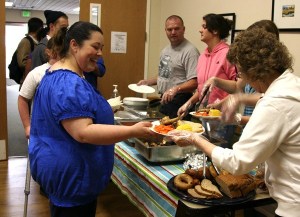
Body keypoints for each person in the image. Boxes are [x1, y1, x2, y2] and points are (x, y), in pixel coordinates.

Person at [29, 21, 156, 217]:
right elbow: (83, 132)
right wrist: (133, 131)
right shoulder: (68, 83)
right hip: (73, 177)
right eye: (95, 47)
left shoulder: (58, 75)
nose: (100, 53)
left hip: (65, 175)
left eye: (102, 48)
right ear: (74, 45)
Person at [171, 27, 300, 217]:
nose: (243, 81)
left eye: (241, 74)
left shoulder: (274, 104)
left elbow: (237, 163)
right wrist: (237, 113)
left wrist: (195, 139)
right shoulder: (291, 84)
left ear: (254, 71)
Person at [204, 20, 280, 125]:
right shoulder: (251, 68)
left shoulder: (274, 73)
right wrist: (216, 82)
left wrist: (237, 116)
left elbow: (269, 99)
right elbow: (237, 88)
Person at [177, 13, 236, 146]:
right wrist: (189, 103)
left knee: (218, 159)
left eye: (204, 27)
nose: (200, 30)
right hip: (204, 117)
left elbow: (238, 87)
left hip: (223, 119)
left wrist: (220, 104)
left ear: (215, 30)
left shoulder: (228, 53)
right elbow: (202, 89)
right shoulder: (203, 55)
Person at [137, 15, 200, 119]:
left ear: (183, 29)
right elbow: (164, 75)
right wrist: (147, 82)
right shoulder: (165, 51)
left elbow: (195, 82)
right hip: (165, 99)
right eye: (170, 29)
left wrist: (176, 89)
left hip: (181, 101)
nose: (173, 32)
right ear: (165, 31)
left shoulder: (190, 52)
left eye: (177, 29)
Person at [18, 38, 59, 139]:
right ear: (48, 52)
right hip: (41, 126)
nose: (59, 53)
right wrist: (27, 126)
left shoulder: (73, 72)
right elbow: (22, 98)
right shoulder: (37, 73)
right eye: (57, 49)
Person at [16, 17, 44, 85]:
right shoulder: (26, 42)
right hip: (28, 80)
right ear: (39, 29)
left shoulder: (38, 42)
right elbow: (22, 62)